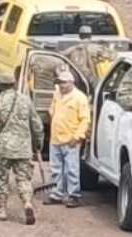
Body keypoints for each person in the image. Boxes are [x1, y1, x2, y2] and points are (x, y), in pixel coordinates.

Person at [0, 80, 44, 225]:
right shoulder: (26, 101)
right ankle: (27, 203)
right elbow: (37, 125)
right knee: (24, 179)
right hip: (23, 147)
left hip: (3, 148)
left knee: (1, 180)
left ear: (0, 87)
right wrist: (37, 144)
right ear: (14, 85)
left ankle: (1, 210)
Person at [48, 72, 91, 208]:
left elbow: (85, 120)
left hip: (70, 139)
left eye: (64, 83)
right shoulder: (57, 95)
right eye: (59, 83)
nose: (61, 85)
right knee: (56, 168)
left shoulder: (80, 98)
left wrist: (77, 137)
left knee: (71, 169)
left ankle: (74, 195)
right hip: (56, 138)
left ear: (71, 83)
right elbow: (52, 111)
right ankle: (57, 194)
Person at [66, 24, 117, 90]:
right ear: (90, 35)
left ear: (80, 35)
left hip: (77, 84)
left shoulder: (71, 50)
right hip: (94, 82)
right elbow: (114, 56)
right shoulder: (98, 48)